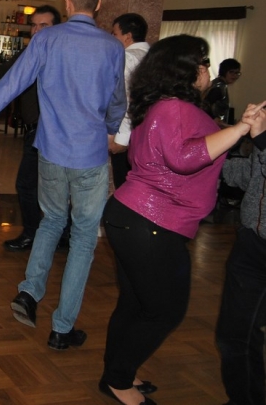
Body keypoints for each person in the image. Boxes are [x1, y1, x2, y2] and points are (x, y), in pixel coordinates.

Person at [0, 0, 126, 351]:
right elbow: (117, 102)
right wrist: (111, 131)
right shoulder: (113, 46)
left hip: (51, 151)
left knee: (51, 221)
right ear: (97, 4)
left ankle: (29, 292)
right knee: (83, 239)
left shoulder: (47, 39)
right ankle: (62, 328)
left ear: (67, 4)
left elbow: (11, 85)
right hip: (91, 156)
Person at [99, 35, 260, 405]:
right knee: (165, 311)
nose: (206, 69)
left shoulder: (162, 105)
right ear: (184, 69)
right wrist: (238, 129)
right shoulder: (173, 107)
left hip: (137, 217)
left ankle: (119, 372)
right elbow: (183, 159)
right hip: (152, 221)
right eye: (202, 62)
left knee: (135, 304)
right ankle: (118, 380)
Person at [0, 5, 63, 251]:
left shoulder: (60, 53)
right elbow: (7, 70)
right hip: (36, 129)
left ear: (56, 28)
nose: (36, 30)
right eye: (34, 25)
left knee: (30, 184)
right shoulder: (32, 50)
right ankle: (51, 234)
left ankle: (37, 234)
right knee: (40, 185)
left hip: (50, 130)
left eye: (44, 25)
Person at [215, 105, 266, 405]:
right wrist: (208, 154)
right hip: (251, 246)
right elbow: (253, 176)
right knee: (235, 334)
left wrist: (261, 140)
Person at [109, 13, 150, 188]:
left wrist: (121, 139)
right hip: (147, 132)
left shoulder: (128, 58)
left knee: (124, 185)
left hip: (128, 134)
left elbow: (125, 98)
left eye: (114, 34)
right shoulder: (153, 56)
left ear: (127, 36)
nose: (111, 38)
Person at [203, 58, 241, 127]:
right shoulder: (220, 87)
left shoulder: (216, 83)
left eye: (237, 73)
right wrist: (214, 118)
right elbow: (205, 104)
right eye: (231, 72)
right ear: (224, 71)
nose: (234, 76)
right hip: (211, 126)